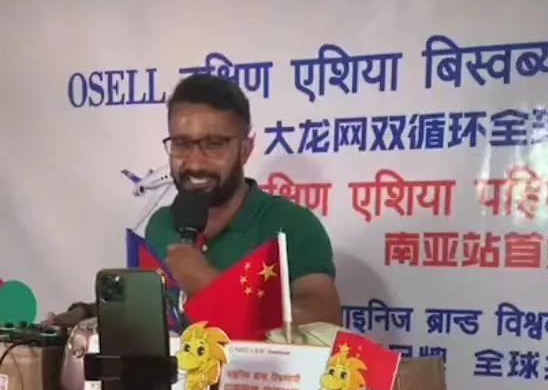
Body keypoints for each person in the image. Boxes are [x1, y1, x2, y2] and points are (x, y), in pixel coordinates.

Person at [48, 73, 341, 330]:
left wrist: (213, 288)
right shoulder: (162, 224)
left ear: (245, 149)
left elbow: (323, 324)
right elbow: (150, 313)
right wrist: (83, 315)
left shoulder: (291, 224)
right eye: (182, 144)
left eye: (214, 144)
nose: (195, 163)